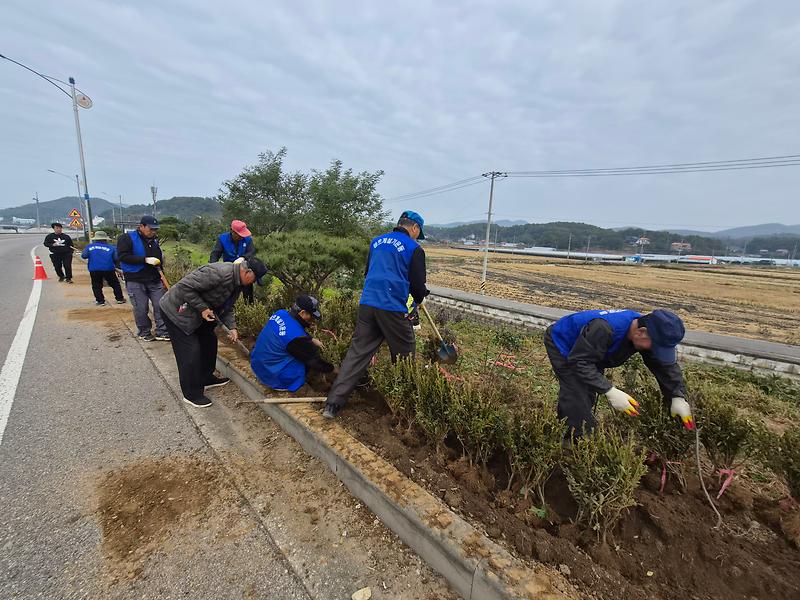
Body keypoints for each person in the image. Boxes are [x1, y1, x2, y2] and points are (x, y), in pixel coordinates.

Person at [323, 210, 429, 419]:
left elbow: (367, 272)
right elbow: (417, 286)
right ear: (414, 228)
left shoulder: (376, 242)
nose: (418, 236)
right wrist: (419, 297)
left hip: (368, 303)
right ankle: (404, 409)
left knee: (357, 354)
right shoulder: (414, 249)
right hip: (391, 307)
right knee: (405, 354)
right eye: (419, 232)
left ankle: (333, 404)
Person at [543, 308, 694, 438]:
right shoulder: (604, 328)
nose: (654, 351)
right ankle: (574, 441)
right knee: (576, 390)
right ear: (641, 332)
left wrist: (677, 396)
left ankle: (579, 424)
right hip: (563, 342)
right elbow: (579, 362)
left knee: (588, 389)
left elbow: (663, 366)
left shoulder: (646, 332)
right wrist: (609, 390)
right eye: (655, 346)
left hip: (590, 349)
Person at [159, 258, 269, 408]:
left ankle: (205, 378)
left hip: (197, 313)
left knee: (209, 342)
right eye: (254, 279)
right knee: (190, 352)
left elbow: (227, 306)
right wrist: (203, 308)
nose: (253, 283)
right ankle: (191, 394)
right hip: (177, 311)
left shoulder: (238, 283)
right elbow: (185, 287)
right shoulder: (218, 273)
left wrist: (232, 327)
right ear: (247, 271)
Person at [250, 294, 334, 392]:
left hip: (257, 364)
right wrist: (332, 370)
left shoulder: (280, 313)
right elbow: (315, 361)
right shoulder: (296, 339)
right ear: (303, 313)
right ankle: (295, 386)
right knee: (304, 364)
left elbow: (290, 330)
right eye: (311, 316)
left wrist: (310, 339)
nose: (312, 320)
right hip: (272, 376)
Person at [118, 216, 169, 341]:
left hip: (154, 278)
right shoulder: (127, 238)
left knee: (160, 305)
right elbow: (123, 256)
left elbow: (158, 261)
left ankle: (162, 331)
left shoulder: (154, 241)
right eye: (151, 229)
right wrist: (144, 260)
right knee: (141, 307)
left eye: (155, 230)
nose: (153, 232)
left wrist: (162, 276)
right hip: (135, 278)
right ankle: (144, 331)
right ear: (141, 226)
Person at [209, 220, 257, 304]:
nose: (242, 237)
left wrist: (243, 257)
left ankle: (249, 308)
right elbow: (215, 254)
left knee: (248, 295)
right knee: (228, 295)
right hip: (229, 271)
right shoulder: (222, 239)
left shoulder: (247, 239)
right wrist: (213, 269)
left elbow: (252, 252)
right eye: (239, 235)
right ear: (232, 232)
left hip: (245, 271)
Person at [81, 230, 125, 306]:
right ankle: (119, 299)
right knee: (115, 284)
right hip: (108, 268)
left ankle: (100, 301)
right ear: (105, 239)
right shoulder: (111, 247)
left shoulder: (90, 246)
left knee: (96, 285)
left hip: (94, 269)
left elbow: (84, 256)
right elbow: (116, 258)